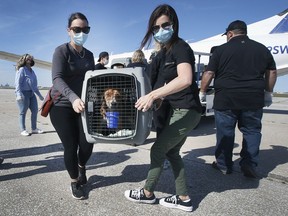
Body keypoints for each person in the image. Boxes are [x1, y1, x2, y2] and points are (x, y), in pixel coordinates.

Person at [124, 4, 202, 212]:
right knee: (172, 152)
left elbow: (185, 79)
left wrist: (153, 95)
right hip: (177, 109)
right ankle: (184, 198)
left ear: (174, 24)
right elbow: (162, 85)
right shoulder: (163, 53)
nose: (160, 31)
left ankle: (148, 193)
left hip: (186, 110)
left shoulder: (180, 48)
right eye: (155, 28)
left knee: (158, 148)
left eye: (164, 25)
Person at [199, 20, 277, 178]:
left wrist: (202, 91)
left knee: (225, 133)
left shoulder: (221, 50)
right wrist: (268, 93)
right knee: (252, 131)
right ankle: (248, 163)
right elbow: (272, 72)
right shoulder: (261, 49)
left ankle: (223, 165)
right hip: (253, 99)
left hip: (226, 99)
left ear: (230, 34)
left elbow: (208, 73)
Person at [49, 12, 95, 200]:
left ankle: (82, 166)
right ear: (69, 31)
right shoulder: (61, 51)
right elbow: (57, 78)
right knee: (71, 146)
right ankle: (74, 181)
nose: (81, 32)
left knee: (87, 143)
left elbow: (92, 81)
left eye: (85, 29)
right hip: (62, 106)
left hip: (83, 105)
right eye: (77, 29)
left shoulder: (89, 55)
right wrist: (73, 97)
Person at [15, 54, 44, 136]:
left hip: (31, 93)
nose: (30, 59)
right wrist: (18, 94)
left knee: (35, 111)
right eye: (28, 58)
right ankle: (23, 130)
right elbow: (17, 83)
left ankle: (34, 128)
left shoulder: (32, 71)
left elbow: (34, 85)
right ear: (24, 60)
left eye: (31, 59)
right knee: (23, 112)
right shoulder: (21, 69)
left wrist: (39, 95)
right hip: (23, 93)